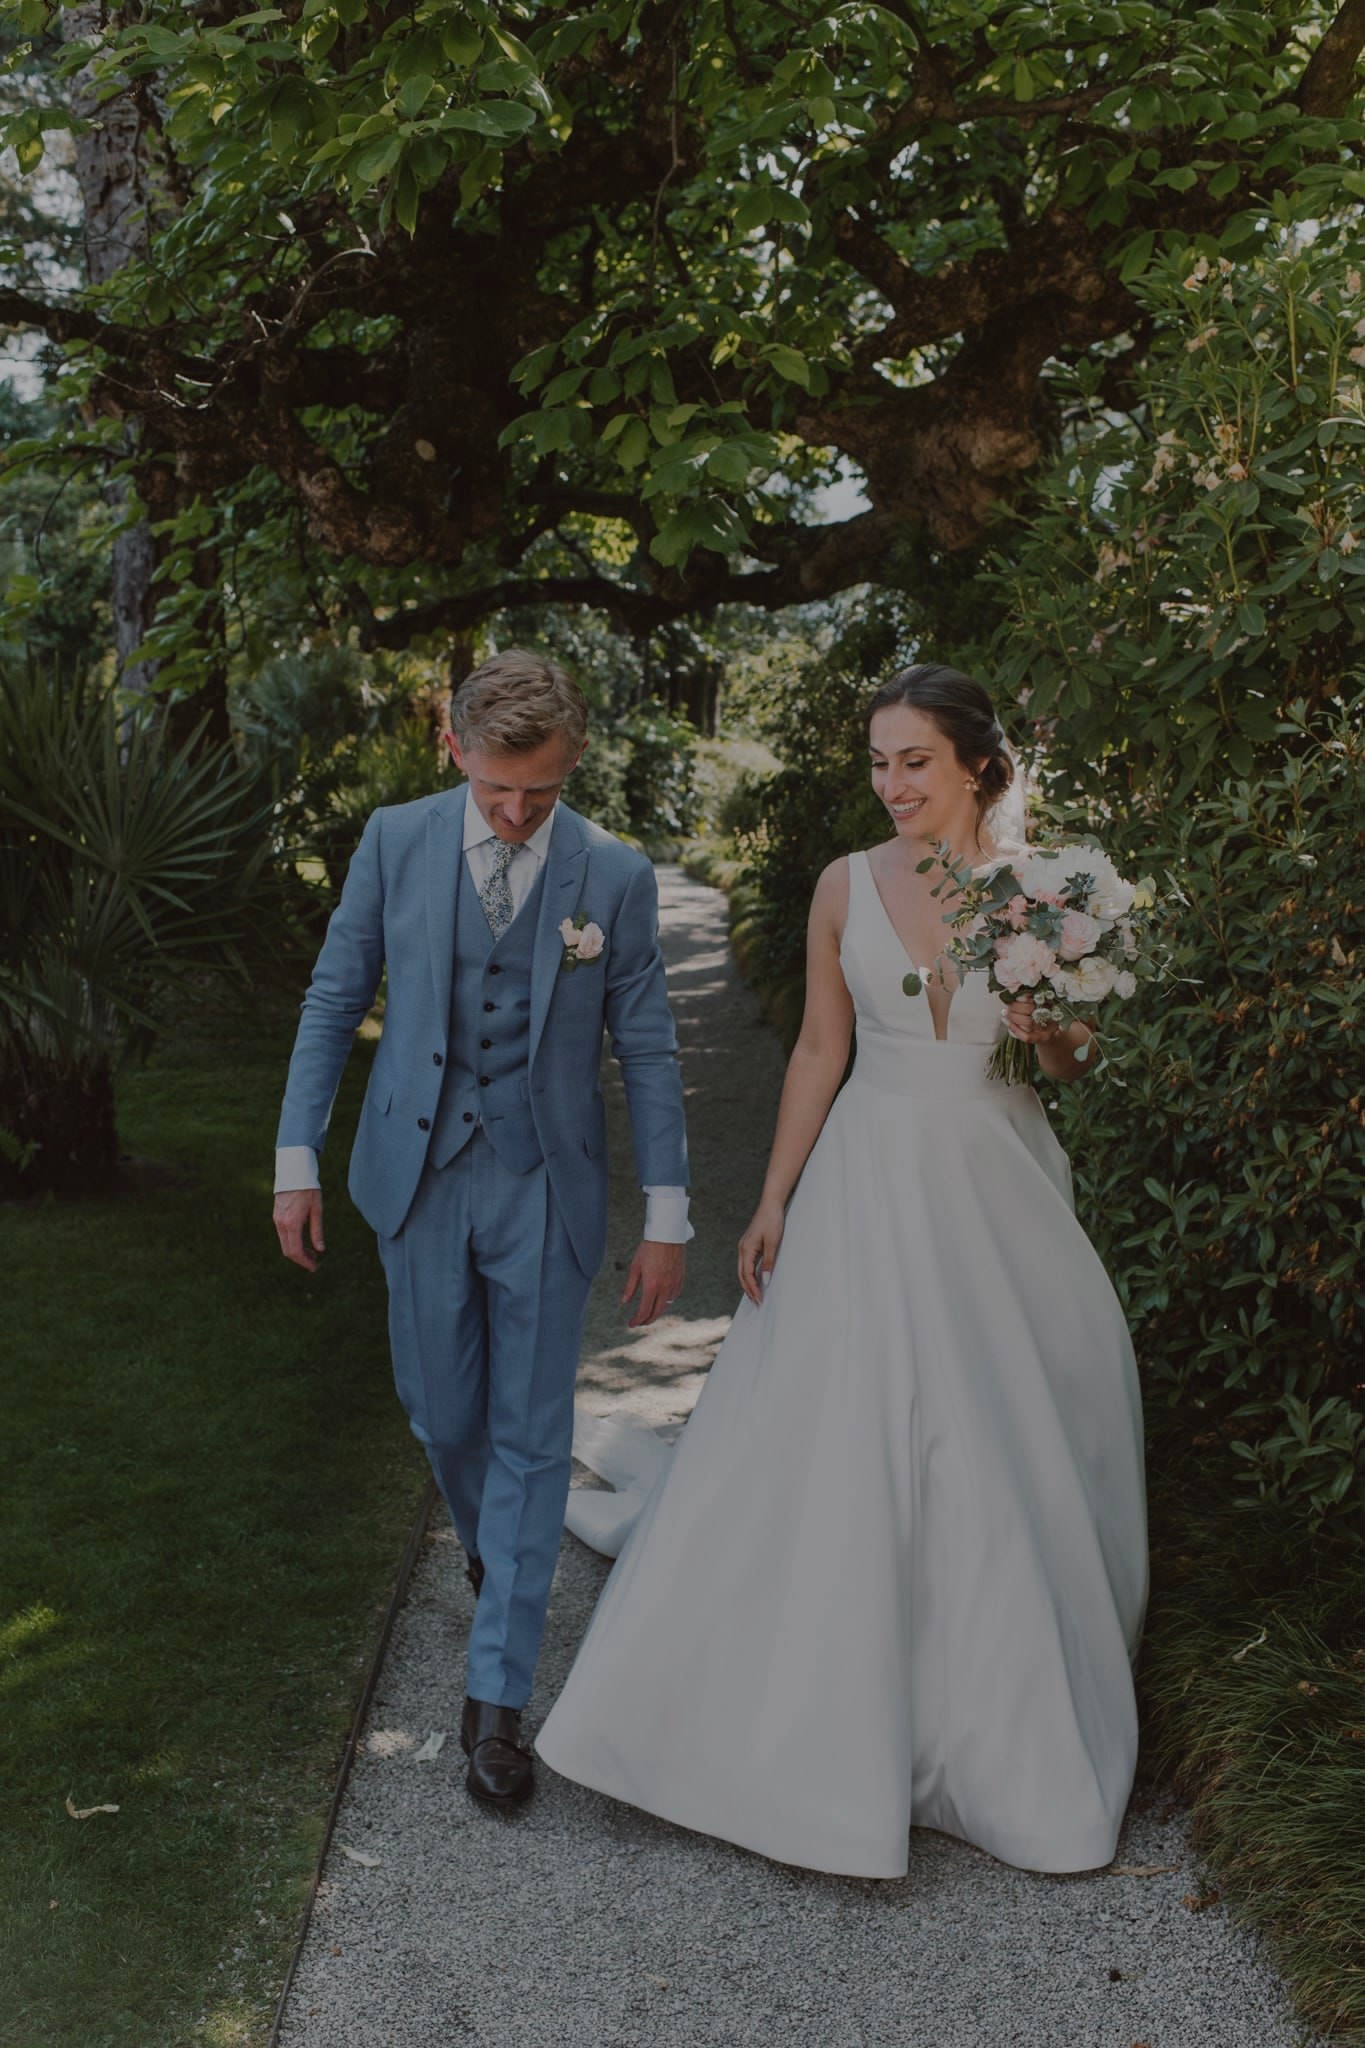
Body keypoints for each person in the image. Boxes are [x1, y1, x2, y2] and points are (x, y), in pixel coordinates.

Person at [536, 662, 1148, 1878]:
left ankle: (990, 1727)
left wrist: (1049, 1029)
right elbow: (821, 1044)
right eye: (878, 761)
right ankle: (824, 1723)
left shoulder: (1046, 890)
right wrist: (770, 1199)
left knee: (998, 1428)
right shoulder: (841, 884)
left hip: (994, 1179)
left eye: (914, 759)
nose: (893, 783)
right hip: (868, 1178)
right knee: (859, 1428)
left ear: (975, 760)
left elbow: (1075, 1064)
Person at [273, 650, 690, 1807]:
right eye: (499, 789)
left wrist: (667, 1215)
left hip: (546, 1183)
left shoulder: (613, 873)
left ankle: (496, 1699)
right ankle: (494, 1544)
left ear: (573, 766)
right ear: (454, 748)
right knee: (440, 1408)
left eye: (542, 794)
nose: (516, 816)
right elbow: (332, 997)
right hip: (417, 1174)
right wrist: (293, 1158)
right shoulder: (397, 841)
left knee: (528, 1425)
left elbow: (648, 1046)